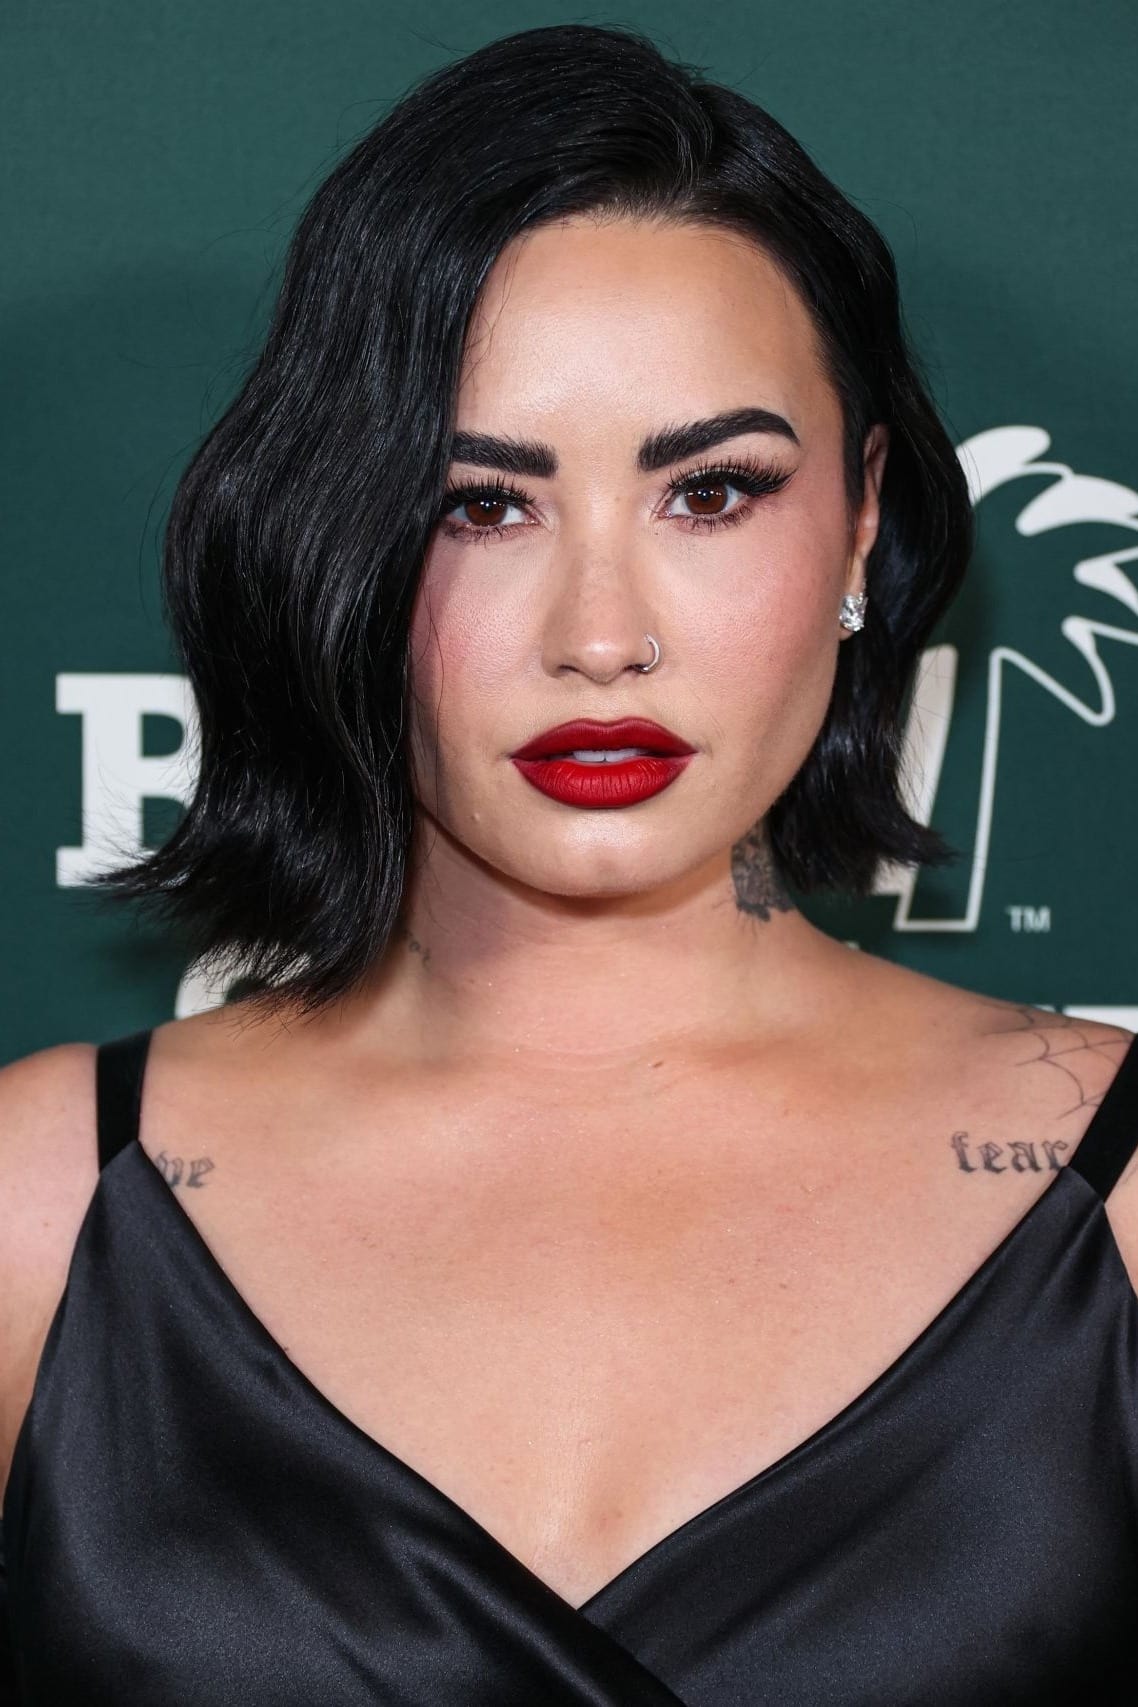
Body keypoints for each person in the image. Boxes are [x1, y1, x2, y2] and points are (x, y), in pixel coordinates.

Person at [2, 20, 1136, 1704]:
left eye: (712, 493)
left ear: (861, 517)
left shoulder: (1115, 1196)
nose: (600, 637)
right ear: (336, 539)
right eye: (481, 505)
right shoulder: (38, 1205)